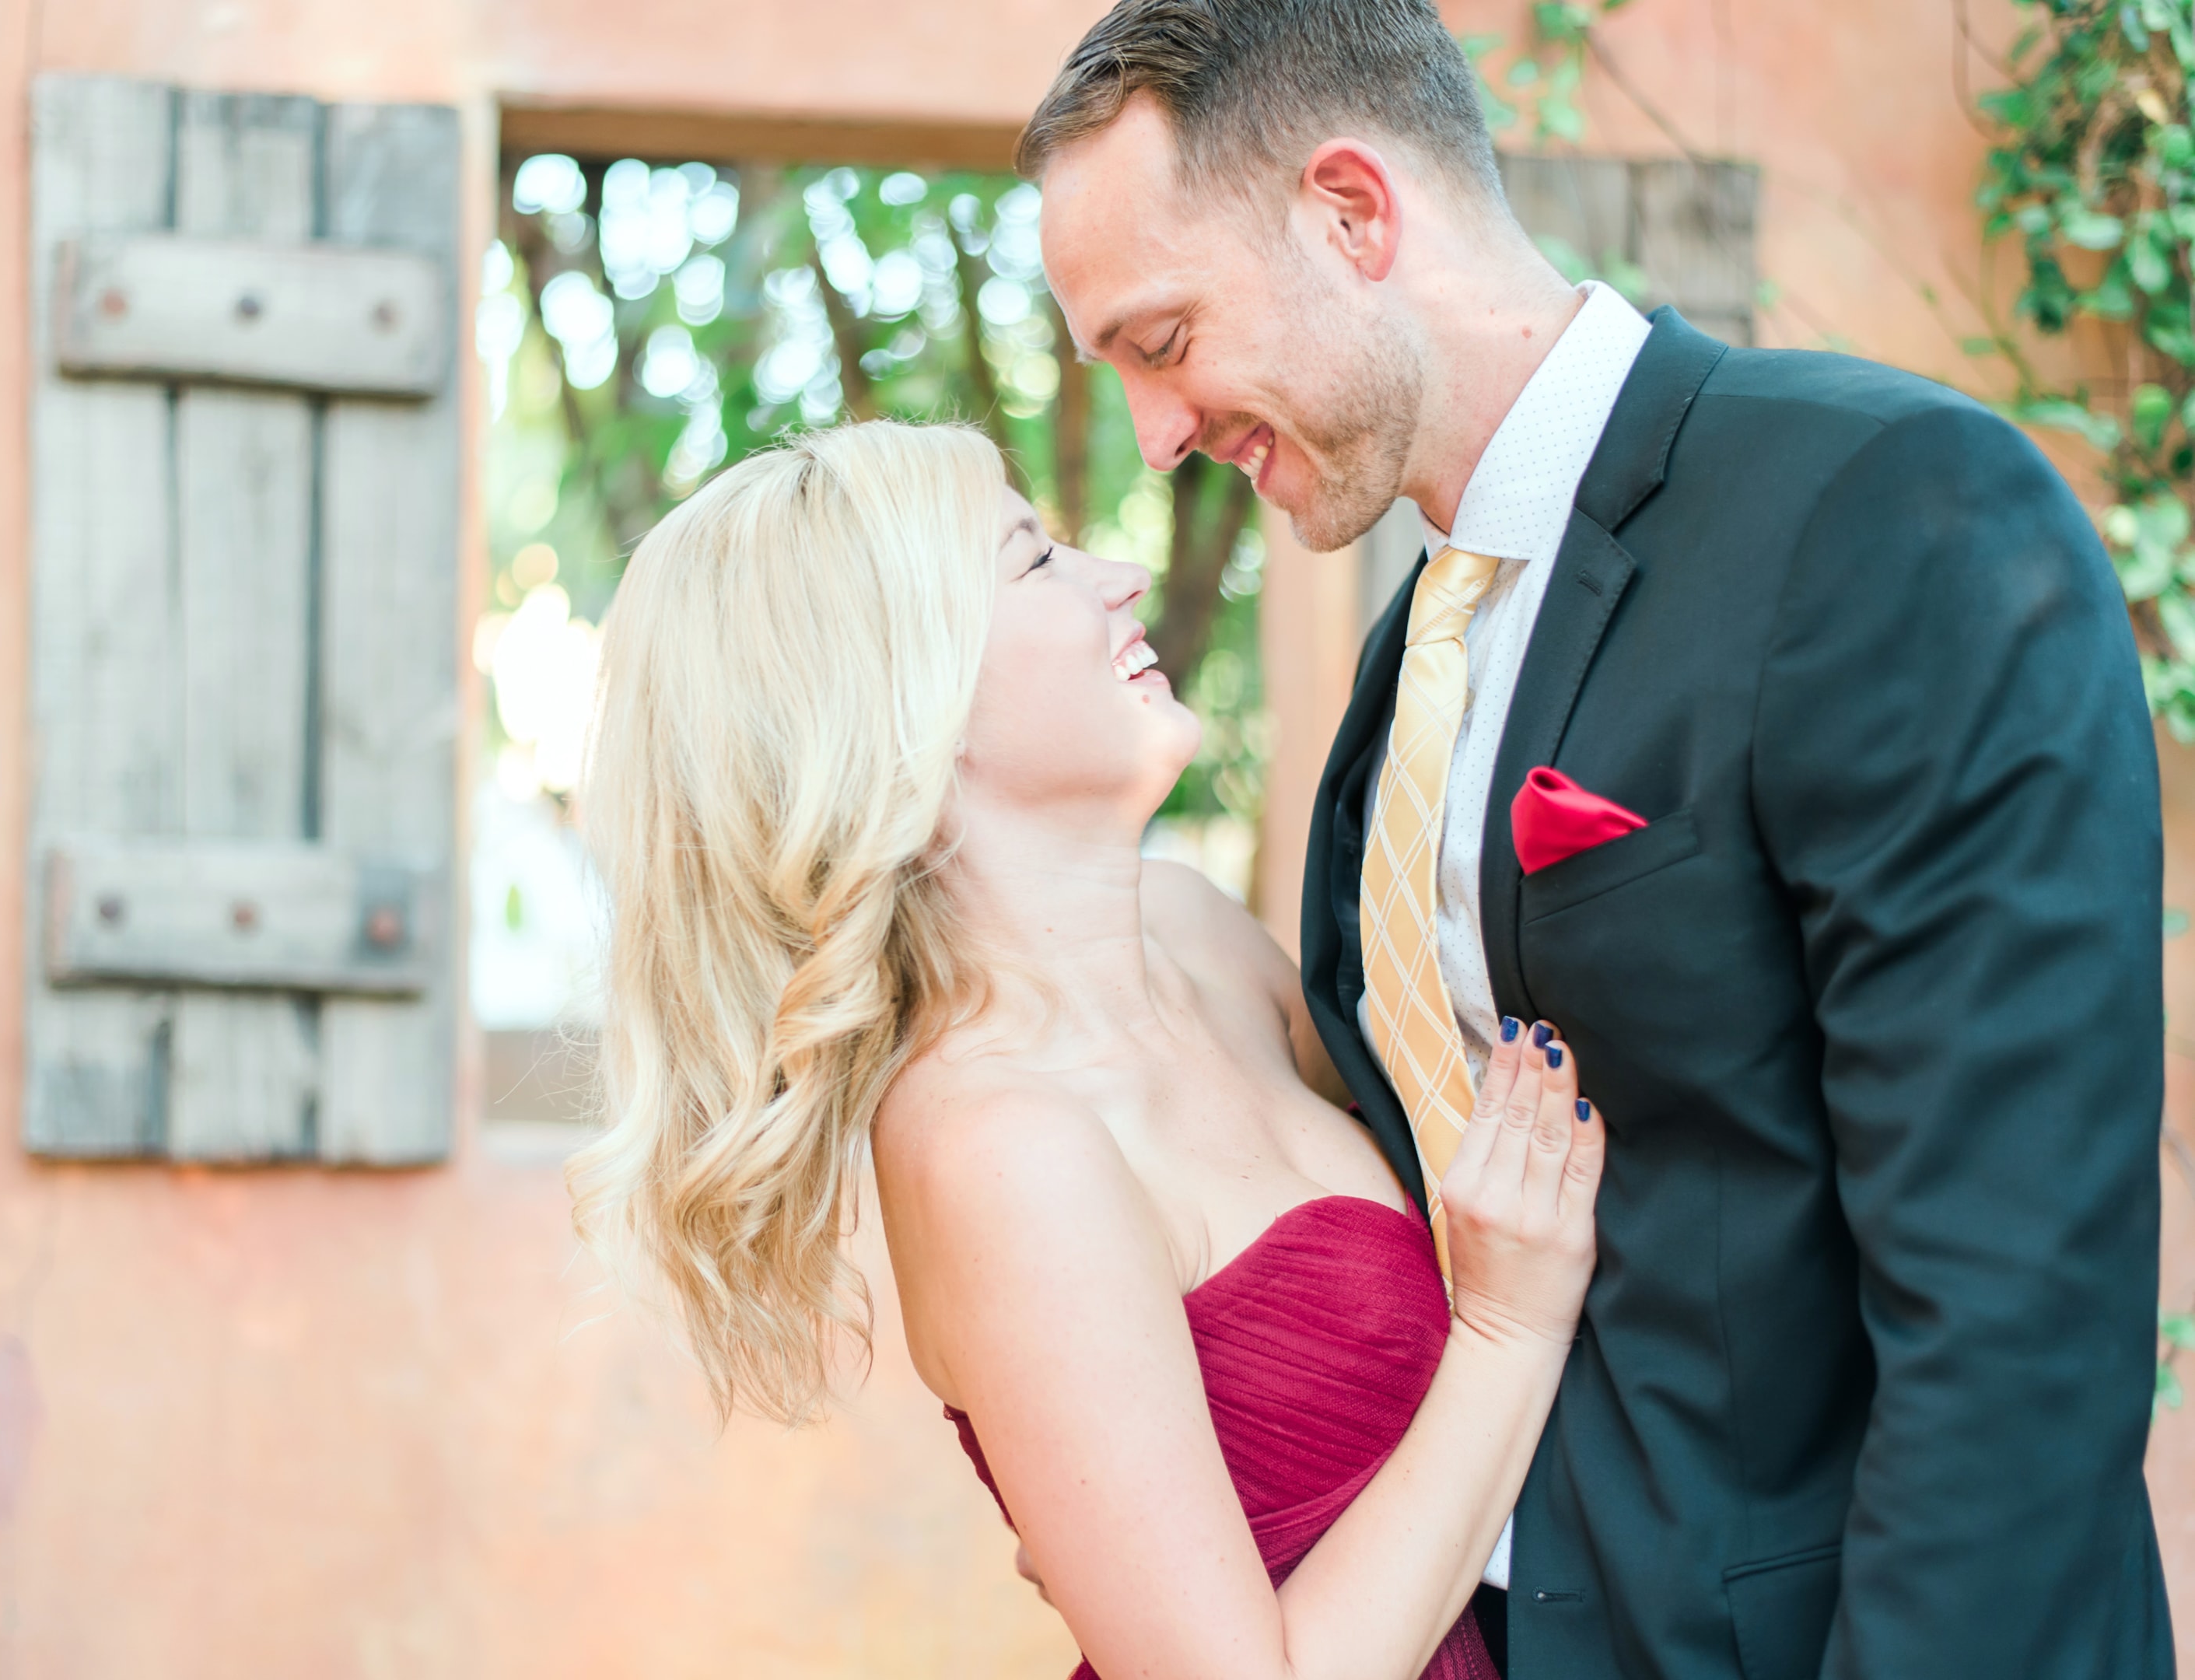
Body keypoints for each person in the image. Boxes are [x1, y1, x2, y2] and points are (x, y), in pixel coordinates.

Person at [1015, 1, 2171, 1676]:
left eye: (1161, 337)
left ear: (1352, 213)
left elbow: (2015, 1334)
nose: (1157, 432)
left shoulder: (1888, 514)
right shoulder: (1403, 669)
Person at [569, 420, 1612, 1680]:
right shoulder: (1000, 1148)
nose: (1113, 573)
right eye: (1032, 560)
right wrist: (1508, 1330)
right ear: (910, 705)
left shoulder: (1199, 940)